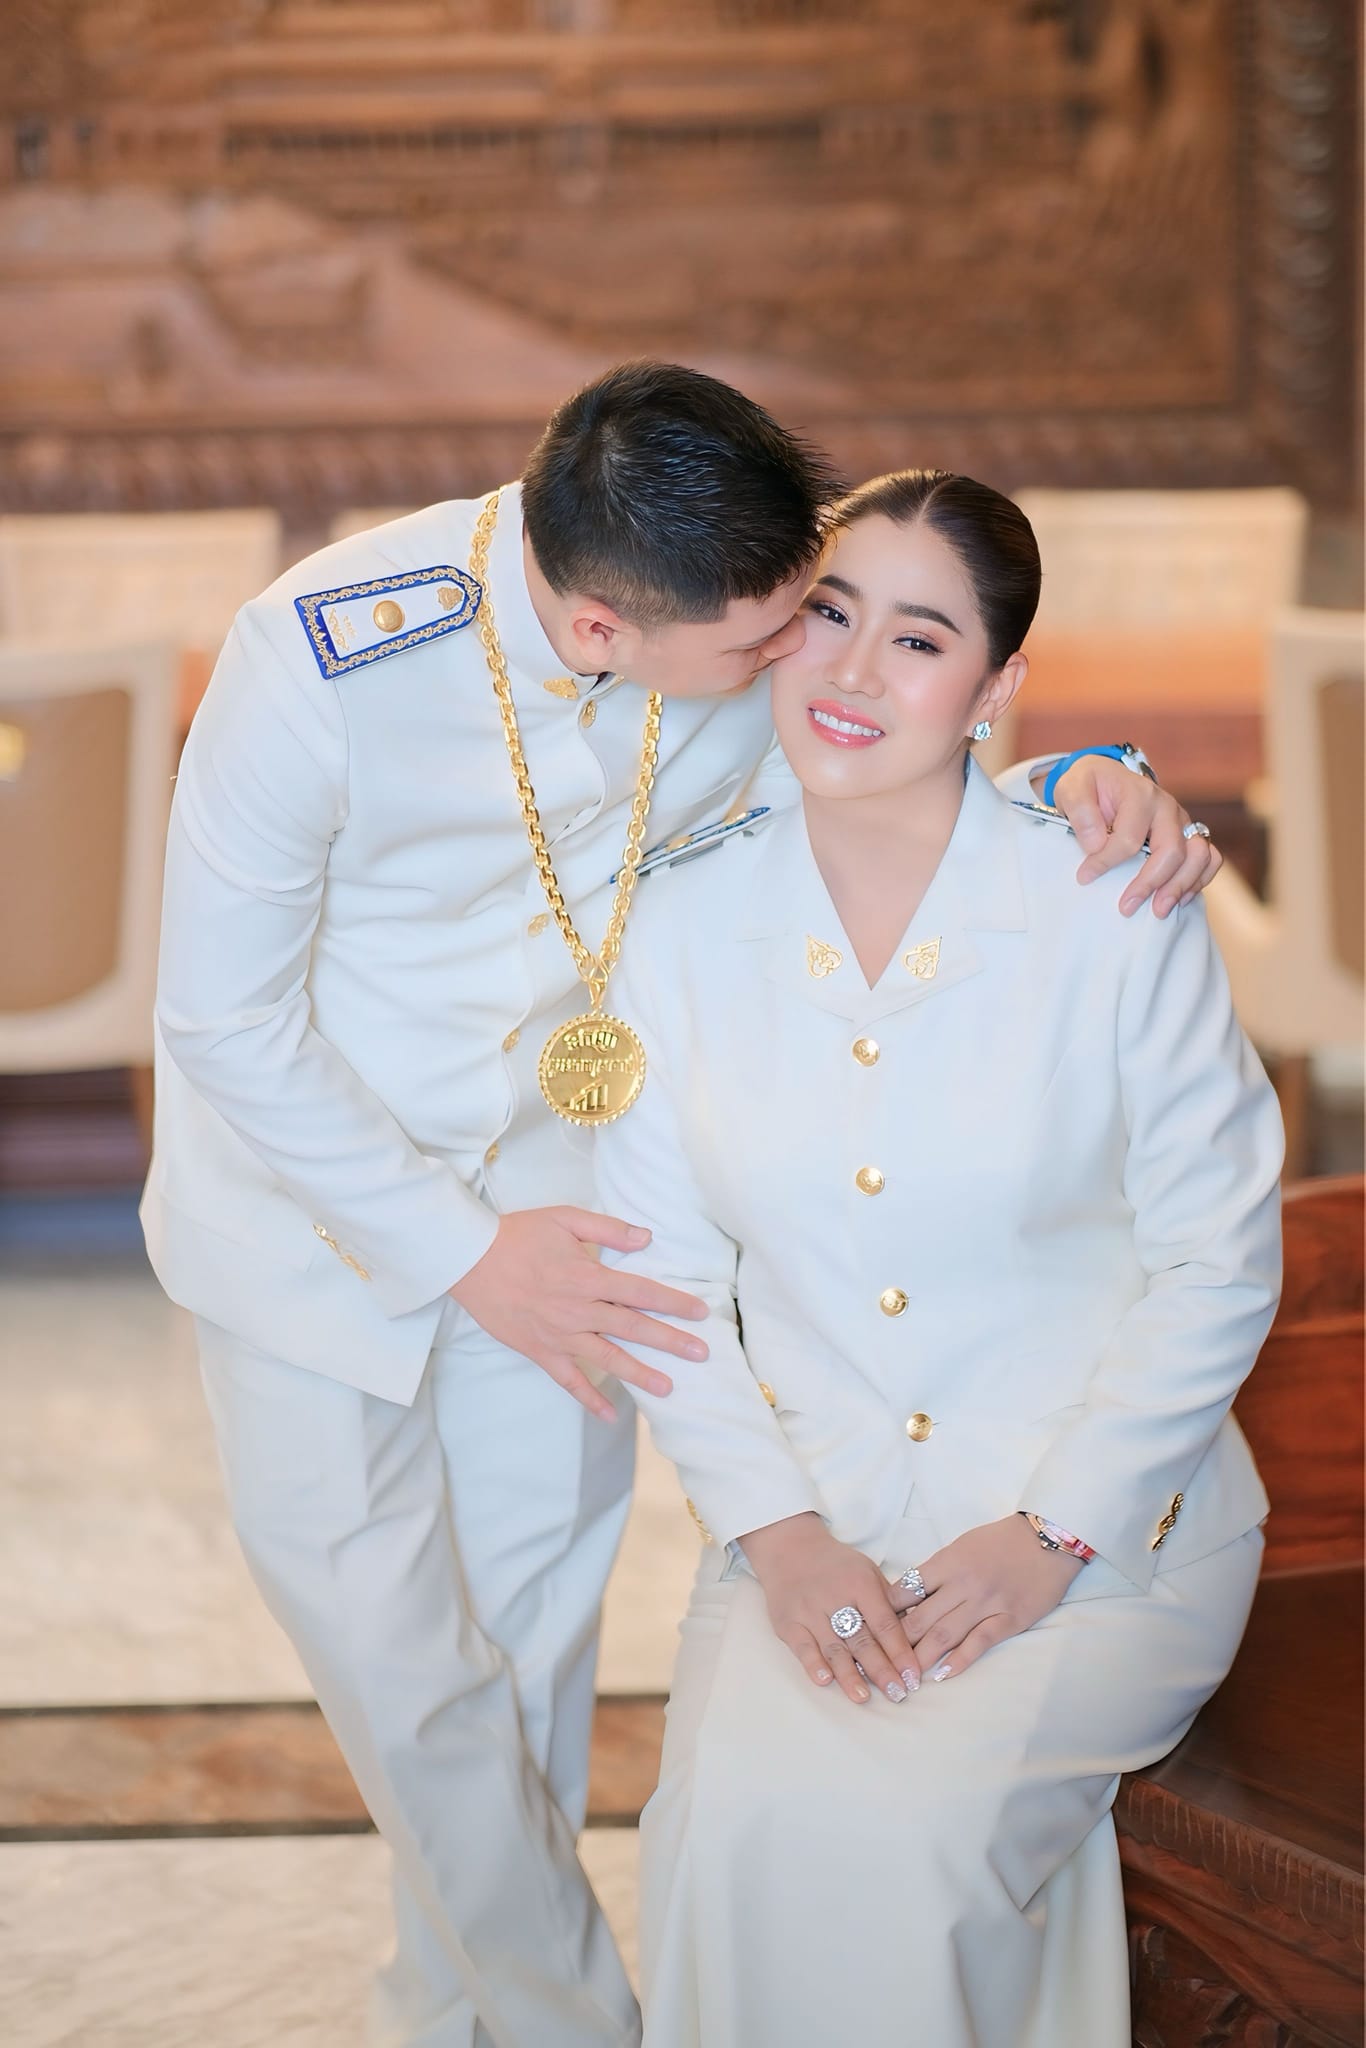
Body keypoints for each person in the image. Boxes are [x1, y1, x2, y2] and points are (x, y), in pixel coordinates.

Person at [141, 364, 1220, 2048]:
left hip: (578, 1225)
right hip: (312, 1234)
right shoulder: (317, 659)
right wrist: (457, 1252)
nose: (801, 655)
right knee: (407, 1683)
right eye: (766, 640)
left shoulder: (727, 593)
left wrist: (1093, 774)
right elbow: (222, 1023)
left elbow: (893, 768)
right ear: (601, 630)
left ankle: (457, 2018)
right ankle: (563, 2023)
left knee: (525, 1666)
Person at [594, 467, 1281, 2048]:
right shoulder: (675, 924)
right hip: (811, 1525)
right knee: (722, 1846)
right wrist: (782, 1540)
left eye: (917, 639)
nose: (850, 672)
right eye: (828, 615)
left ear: (995, 687)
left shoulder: (1109, 901)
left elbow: (1218, 1259)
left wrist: (1055, 1531)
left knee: (907, 1850)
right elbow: (663, 1285)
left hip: (1108, 1534)